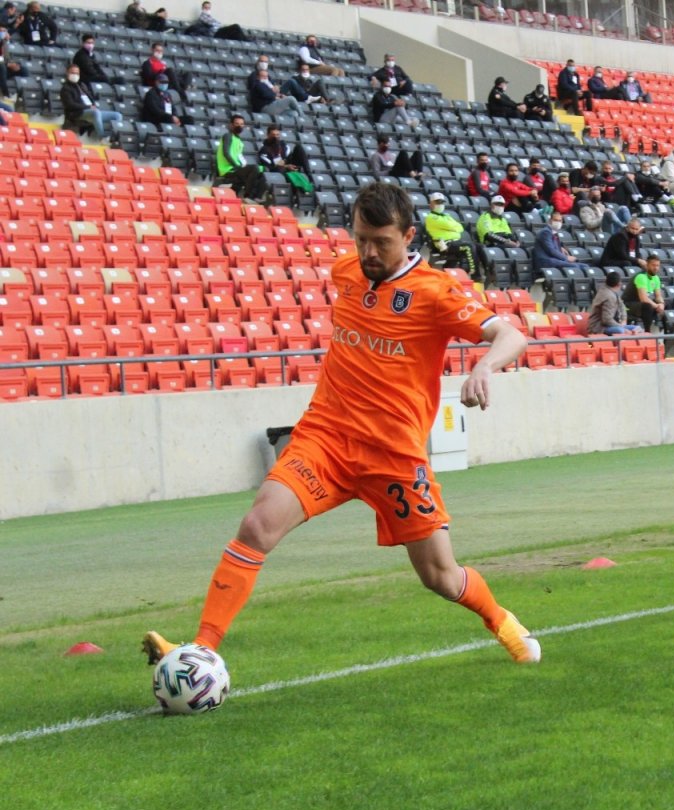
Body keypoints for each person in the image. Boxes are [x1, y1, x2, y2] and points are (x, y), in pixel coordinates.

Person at [141, 182, 538, 671]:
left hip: (394, 455)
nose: (368, 252)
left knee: (438, 575)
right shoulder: (346, 271)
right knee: (256, 525)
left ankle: (501, 621)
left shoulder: (435, 293)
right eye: (360, 239)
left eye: (381, 242)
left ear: (410, 235)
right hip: (325, 438)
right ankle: (201, 651)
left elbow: (512, 334)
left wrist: (483, 367)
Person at [423, 192, 477, 279]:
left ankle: (453, 274)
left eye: (441, 202)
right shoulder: (431, 217)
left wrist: (452, 227)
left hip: (454, 243)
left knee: (476, 246)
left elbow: (460, 228)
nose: (440, 204)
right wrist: (453, 228)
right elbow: (451, 226)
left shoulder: (446, 216)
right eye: (437, 202)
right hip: (444, 245)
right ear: (431, 204)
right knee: (468, 246)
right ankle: (475, 275)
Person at [214, 114, 267, 203]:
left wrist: (242, 165)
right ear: (231, 125)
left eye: (242, 124)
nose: (240, 126)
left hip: (236, 168)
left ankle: (256, 197)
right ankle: (248, 196)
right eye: (237, 123)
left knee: (262, 170)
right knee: (254, 168)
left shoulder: (238, 140)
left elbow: (239, 156)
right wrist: (237, 166)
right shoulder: (228, 136)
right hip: (228, 170)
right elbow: (226, 153)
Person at [59, 63, 121, 138]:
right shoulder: (65, 89)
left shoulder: (82, 85)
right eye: (72, 73)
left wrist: (93, 105)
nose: (75, 75)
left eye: (77, 73)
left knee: (117, 115)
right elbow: (70, 105)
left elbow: (91, 98)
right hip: (78, 113)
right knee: (96, 113)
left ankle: (114, 137)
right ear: (67, 73)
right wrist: (87, 107)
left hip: (91, 109)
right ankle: (101, 137)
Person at [588, 271, 639, 335]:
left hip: (615, 324)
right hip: (599, 327)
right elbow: (606, 320)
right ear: (619, 284)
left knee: (637, 328)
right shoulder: (608, 295)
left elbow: (622, 306)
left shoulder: (614, 293)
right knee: (620, 330)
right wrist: (621, 327)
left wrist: (623, 321)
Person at [625, 254, 666, 332]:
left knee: (665, 305)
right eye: (653, 265)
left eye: (658, 265)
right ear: (647, 265)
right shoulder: (641, 277)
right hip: (628, 305)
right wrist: (657, 306)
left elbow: (658, 296)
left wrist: (661, 304)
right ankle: (648, 332)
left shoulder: (656, 278)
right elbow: (643, 299)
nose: (656, 268)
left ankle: (666, 335)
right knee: (648, 306)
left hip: (641, 304)